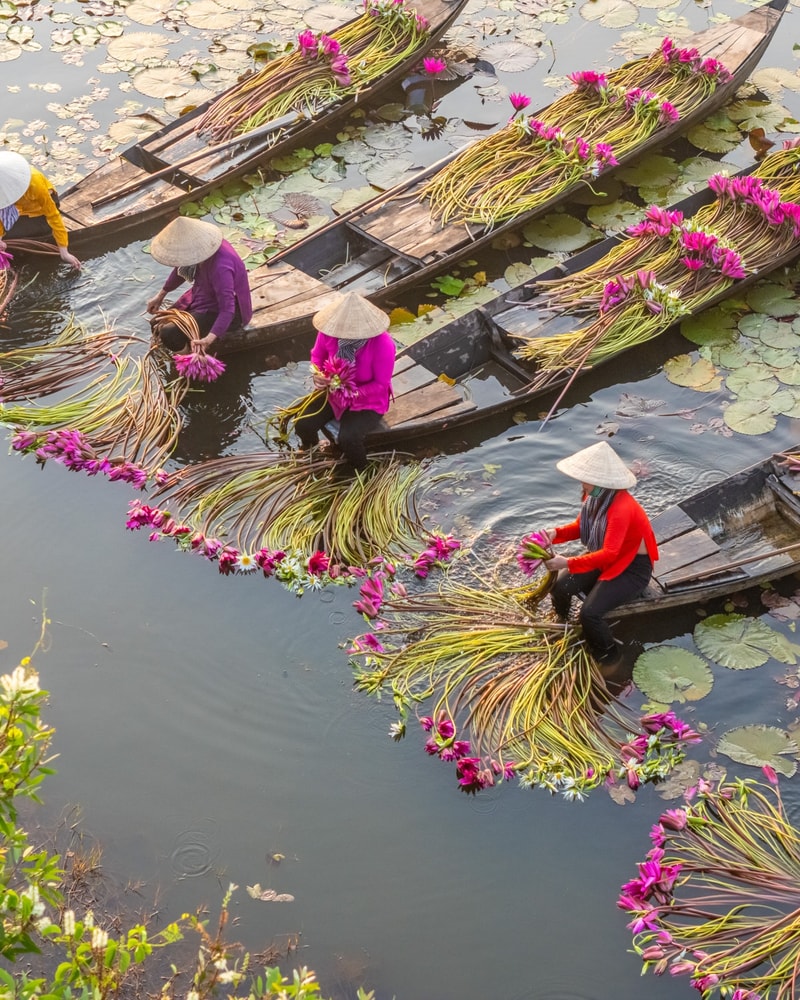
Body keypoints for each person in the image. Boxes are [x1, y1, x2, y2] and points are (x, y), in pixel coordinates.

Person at [542, 441, 658, 666]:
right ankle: (563, 624)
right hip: (606, 555)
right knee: (559, 589)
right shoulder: (593, 497)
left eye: (586, 480)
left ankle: (610, 657)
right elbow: (580, 526)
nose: (582, 484)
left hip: (631, 567)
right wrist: (554, 534)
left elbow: (610, 554)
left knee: (590, 614)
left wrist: (567, 562)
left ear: (601, 482)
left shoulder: (622, 508)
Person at [294, 291, 395, 471]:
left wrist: (352, 392)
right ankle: (311, 450)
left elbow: (381, 384)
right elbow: (316, 357)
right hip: (333, 393)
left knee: (348, 439)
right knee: (303, 423)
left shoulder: (383, 344)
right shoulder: (329, 333)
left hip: (367, 401)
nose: (344, 334)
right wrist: (317, 374)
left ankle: (363, 472)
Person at [146, 216, 252, 353]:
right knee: (156, 323)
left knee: (169, 333)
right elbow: (181, 269)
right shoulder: (198, 251)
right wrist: (160, 295)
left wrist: (208, 339)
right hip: (202, 295)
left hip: (226, 311)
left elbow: (227, 309)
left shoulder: (221, 268)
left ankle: (189, 360)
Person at [0, 151, 81, 270]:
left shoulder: (34, 183)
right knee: (6, 237)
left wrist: (64, 252)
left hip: (38, 212)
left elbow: (53, 216)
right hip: (19, 209)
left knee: (14, 236)